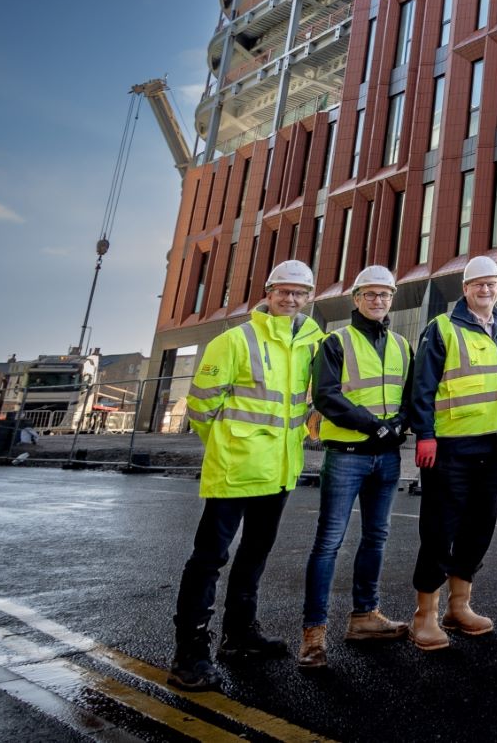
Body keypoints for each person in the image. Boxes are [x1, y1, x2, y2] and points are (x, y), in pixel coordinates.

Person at [169, 259, 326, 691]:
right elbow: (200, 409)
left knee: (255, 554)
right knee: (209, 559)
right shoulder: (234, 340)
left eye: (299, 293)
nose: (290, 299)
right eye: (283, 291)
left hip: (280, 470)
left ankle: (239, 635)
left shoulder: (312, 343)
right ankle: (190, 652)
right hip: (236, 467)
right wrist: (229, 444)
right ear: (268, 291)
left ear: (309, 298)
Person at [407, 255, 497, 650]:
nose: (486, 289)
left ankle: (459, 607)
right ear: (465, 289)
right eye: (478, 284)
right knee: (440, 531)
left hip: (494, 449)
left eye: (492, 283)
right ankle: (424, 615)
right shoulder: (441, 328)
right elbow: (422, 387)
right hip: (450, 449)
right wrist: (424, 434)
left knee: (479, 528)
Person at [298, 265, 413, 668]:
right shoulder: (335, 342)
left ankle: (365, 616)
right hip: (347, 455)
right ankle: (314, 635)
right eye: (370, 294)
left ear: (391, 299)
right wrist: (373, 426)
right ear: (356, 298)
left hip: (387, 456)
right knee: (329, 542)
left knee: (376, 537)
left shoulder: (401, 344)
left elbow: (411, 396)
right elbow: (327, 396)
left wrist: (396, 426)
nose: (378, 300)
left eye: (385, 294)